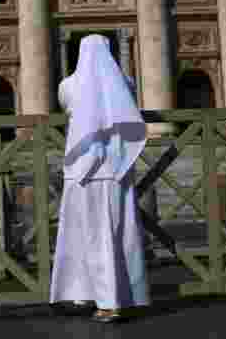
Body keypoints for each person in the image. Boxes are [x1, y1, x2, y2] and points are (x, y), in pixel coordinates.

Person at [50, 34, 150, 323]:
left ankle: (100, 299)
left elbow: (68, 109)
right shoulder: (126, 84)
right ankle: (118, 294)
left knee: (84, 233)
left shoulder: (67, 86)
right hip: (117, 171)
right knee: (118, 234)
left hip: (82, 172)